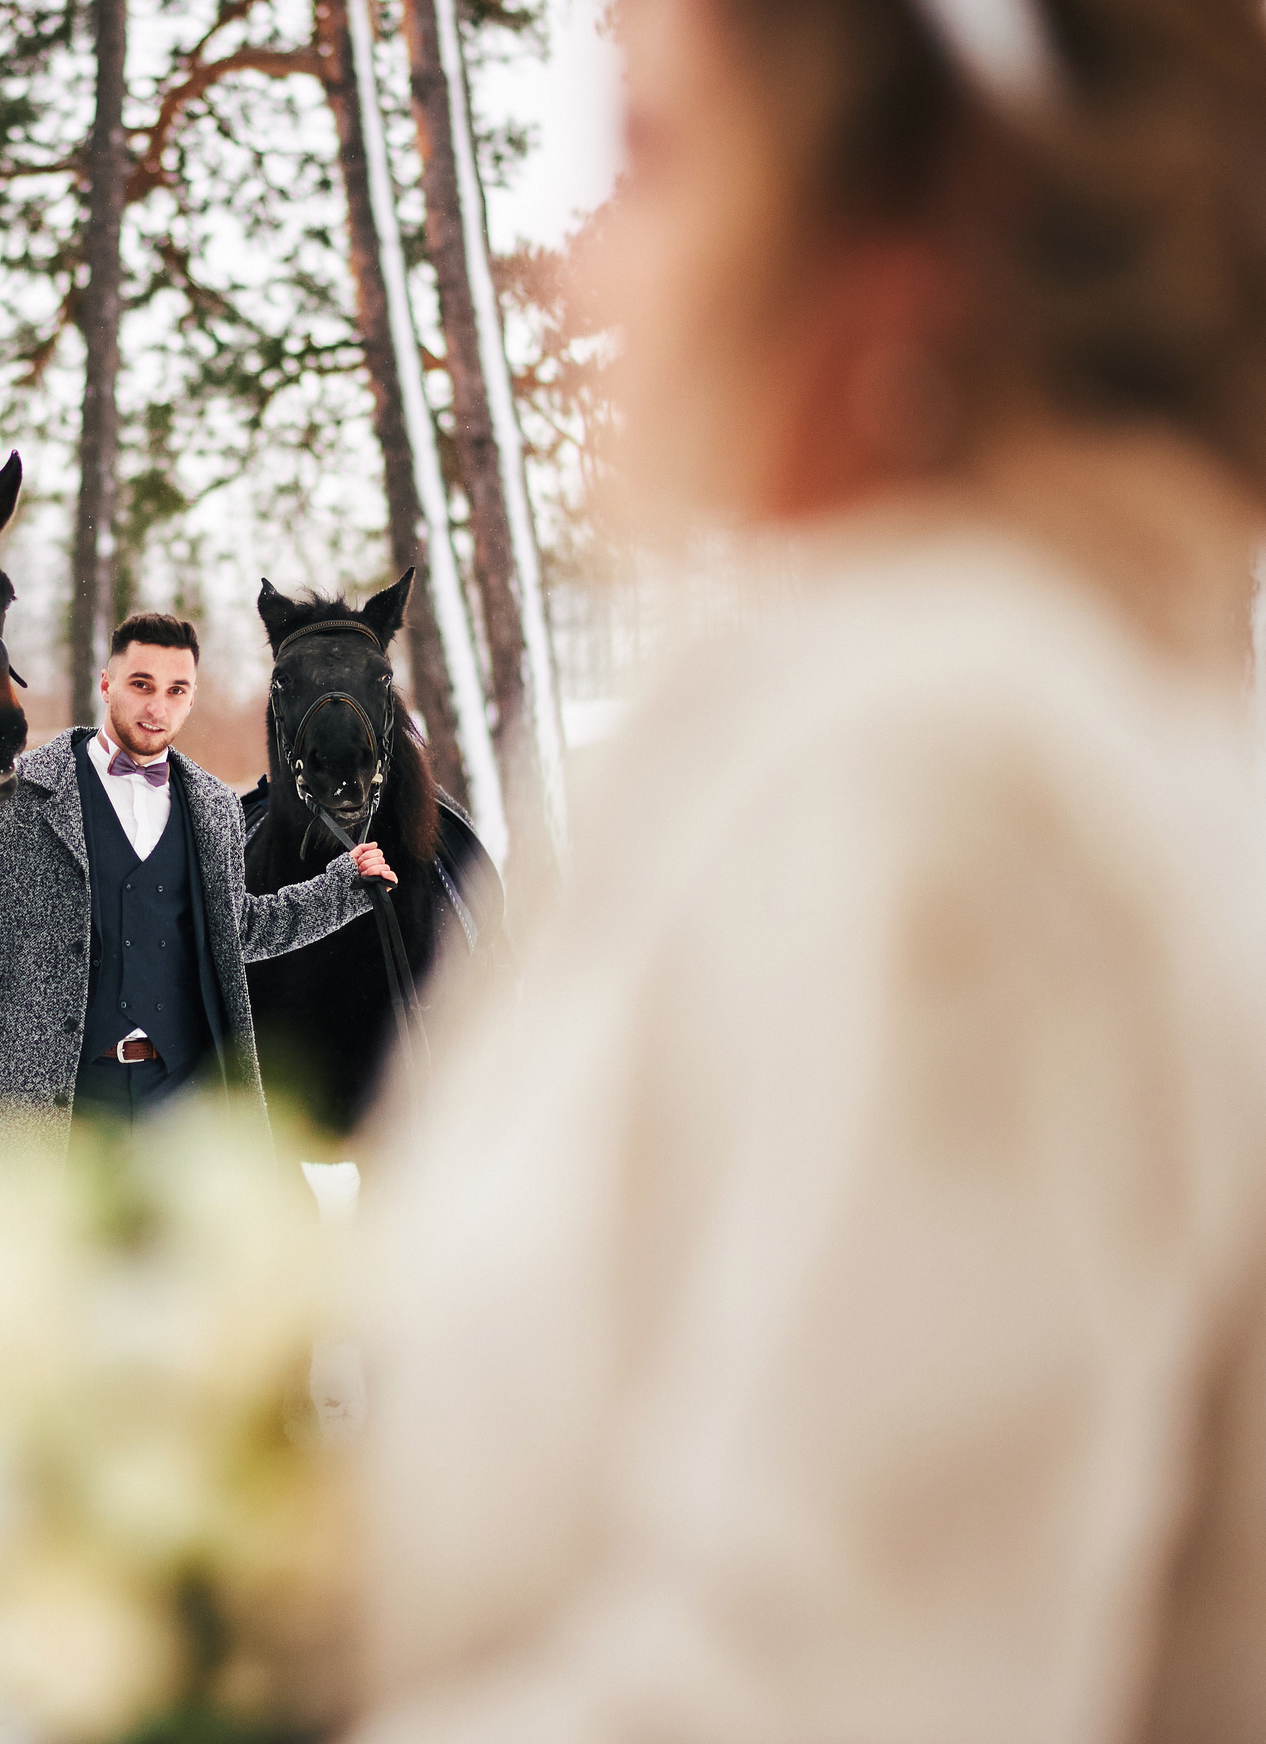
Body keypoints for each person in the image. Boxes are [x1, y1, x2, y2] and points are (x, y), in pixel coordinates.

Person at [353, 0, 1266, 1738]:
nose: (575, 271)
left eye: (653, 152)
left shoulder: (954, 774)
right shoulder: (1030, 693)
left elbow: (838, 1675)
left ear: (927, 221)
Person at [0, 612, 395, 1175]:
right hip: (57, 1105)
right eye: (141, 684)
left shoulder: (215, 809)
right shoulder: (11, 792)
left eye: (175, 690)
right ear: (107, 683)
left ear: (190, 700)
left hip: (184, 1102)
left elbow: (237, 933)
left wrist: (341, 888)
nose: (156, 707)